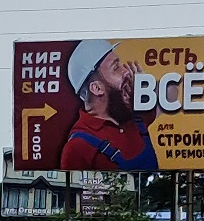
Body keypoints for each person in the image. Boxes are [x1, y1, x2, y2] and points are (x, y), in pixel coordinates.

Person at [60, 39, 170, 171]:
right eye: (116, 68)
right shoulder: (77, 147)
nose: (126, 71)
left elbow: (170, 99)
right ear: (97, 88)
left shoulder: (127, 112)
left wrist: (146, 89)